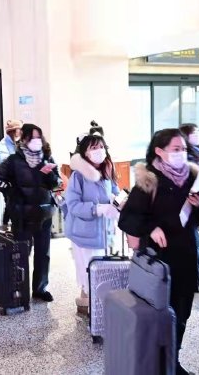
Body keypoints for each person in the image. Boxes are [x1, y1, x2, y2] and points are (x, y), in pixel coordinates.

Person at [118, 129, 199, 375]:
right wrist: (151, 228)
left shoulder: (193, 177)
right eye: (176, 149)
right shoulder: (149, 181)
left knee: (181, 315)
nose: (182, 153)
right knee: (159, 315)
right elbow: (127, 218)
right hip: (159, 262)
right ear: (159, 151)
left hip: (187, 258)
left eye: (184, 149)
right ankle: (156, 363)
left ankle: (173, 361)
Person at [0, 124, 60, 302]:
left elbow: (56, 183)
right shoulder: (14, 160)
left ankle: (40, 288)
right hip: (22, 215)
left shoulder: (47, 157)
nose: (36, 141)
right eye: (32, 138)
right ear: (23, 139)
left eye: (39, 137)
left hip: (44, 213)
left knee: (43, 254)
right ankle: (19, 288)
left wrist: (49, 175)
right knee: (21, 253)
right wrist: (12, 193)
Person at [64, 133, 119, 314]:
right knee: (88, 272)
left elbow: (116, 192)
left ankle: (88, 304)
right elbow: (73, 205)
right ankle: (94, 311)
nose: (99, 151)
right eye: (94, 148)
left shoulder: (107, 171)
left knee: (99, 271)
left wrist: (117, 202)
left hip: (104, 232)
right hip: (84, 233)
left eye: (101, 147)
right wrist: (97, 209)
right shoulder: (78, 176)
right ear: (85, 153)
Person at [179, 123, 199, 287]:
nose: (198, 135)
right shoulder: (188, 161)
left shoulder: (198, 156)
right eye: (194, 133)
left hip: (192, 220)